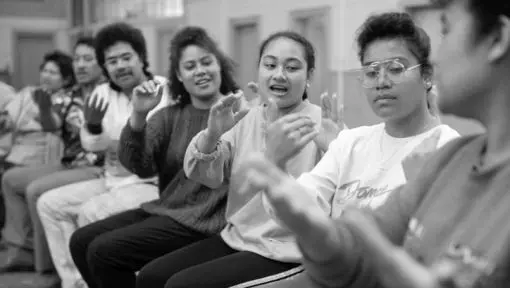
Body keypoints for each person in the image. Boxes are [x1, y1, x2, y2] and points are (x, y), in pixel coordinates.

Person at [239, 2, 510, 287]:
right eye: (370, 72)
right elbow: (355, 252)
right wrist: (314, 226)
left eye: (446, 30)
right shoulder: (453, 159)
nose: (381, 82)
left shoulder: (442, 149)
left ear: (497, 39)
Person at [128, 30, 320, 288]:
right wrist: (212, 133)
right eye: (270, 65)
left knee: (182, 285)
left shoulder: (320, 125)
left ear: (309, 77)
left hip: (287, 249)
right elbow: (206, 175)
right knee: (151, 277)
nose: (279, 74)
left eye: (292, 67)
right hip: (237, 237)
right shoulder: (247, 117)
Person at [68, 26, 238, 288]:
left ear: (220, 66)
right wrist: (137, 116)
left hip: (208, 220)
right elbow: (140, 166)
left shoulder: (238, 110)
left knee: (103, 252)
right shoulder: (170, 115)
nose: (200, 71)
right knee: (80, 241)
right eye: (190, 66)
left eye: (207, 62)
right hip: (171, 210)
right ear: (179, 76)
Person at [36, 22, 170, 288]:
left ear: (141, 57)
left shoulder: (164, 89)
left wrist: (116, 143)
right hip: (112, 180)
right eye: (111, 61)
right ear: (105, 67)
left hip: (152, 184)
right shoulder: (102, 93)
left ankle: (93, 281)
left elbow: (159, 143)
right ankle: (73, 279)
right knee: (49, 204)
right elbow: (90, 144)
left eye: (126, 57)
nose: (120, 66)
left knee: (91, 212)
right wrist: (96, 128)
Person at [0, 37, 104, 274]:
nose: (81, 64)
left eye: (88, 59)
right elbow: (52, 126)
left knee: (36, 190)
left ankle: (49, 267)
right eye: (77, 59)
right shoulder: (68, 95)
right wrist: (46, 107)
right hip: (70, 163)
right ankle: (24, 250)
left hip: (97, 166)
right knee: (11, 179)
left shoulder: (106, 91)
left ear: (101, 63)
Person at [0, 50, 75, 231]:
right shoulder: (28, 93)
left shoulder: (65, 98)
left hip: (46, 154)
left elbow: (52, 125)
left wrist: (44, 107)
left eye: (53, 72)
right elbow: (8, 120)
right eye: (45, 71)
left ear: (65, 79)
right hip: (17, 152)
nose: (46, 76)